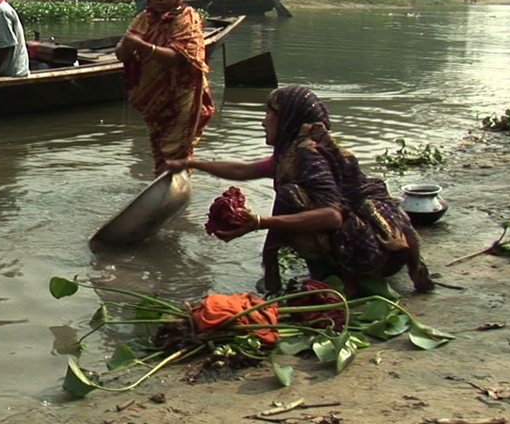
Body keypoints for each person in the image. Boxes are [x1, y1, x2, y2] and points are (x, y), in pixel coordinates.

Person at [167, 85, 435, 295]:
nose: (263, 121)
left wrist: (260, 223)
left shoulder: (308, 154)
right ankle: (333, 273)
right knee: (296, 198)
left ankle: (341, 280)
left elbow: (332, 216)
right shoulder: (293, 150)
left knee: (290, 197)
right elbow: (243, 171)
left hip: (369, 252)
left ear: (286, 119)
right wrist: (192, 163)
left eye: (269, 114)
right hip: (377, 246)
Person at [116, 0, 212, 175]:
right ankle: (166, 187)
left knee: (176, 148)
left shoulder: (187, 18)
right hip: (154, 94)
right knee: (159, 146)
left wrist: (143, 47)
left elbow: (179, 57)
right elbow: (122, 53)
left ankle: (175, 185)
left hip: (182, 92)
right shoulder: (145, 17)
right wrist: (126, 46)